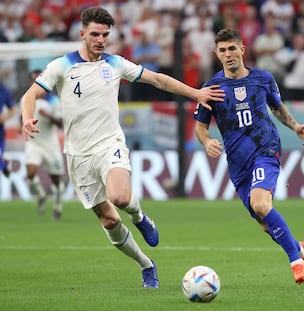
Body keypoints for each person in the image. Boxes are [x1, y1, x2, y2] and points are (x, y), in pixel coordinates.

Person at [21, 6, 224, 289]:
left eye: (105, 34)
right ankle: (146, 264)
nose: (101, 40)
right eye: (95, 34)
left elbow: (158, 79)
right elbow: (31, 94)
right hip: (78, 155)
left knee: (119, 196)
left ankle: (140, 217)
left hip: (110, 144)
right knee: (108, 221)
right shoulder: (62, 66)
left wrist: (195, 93)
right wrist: (26, 116)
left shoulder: (115, 64)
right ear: (82, 34)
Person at [193, 28, 304, 285]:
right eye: (223, 50)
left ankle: (295, 261)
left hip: (265, 150)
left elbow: (277, 107)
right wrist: (206, 141)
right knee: (263, 221)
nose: (228, 55)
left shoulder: (263, 79)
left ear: (242, 49)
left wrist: (295, 127)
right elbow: (200, 127)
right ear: (216, 53)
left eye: (232, 49)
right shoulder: (211, 88)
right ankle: (300, 249)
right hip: (238, 162)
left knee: (260, 204)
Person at [23, 69, 65, 220]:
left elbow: (61, 123)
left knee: (56, 179)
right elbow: (22, 118)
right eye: (33, 81)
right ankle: (41, 195)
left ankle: (58, 205)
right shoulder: (27, 99)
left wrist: (49, 116)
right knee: (30, 173)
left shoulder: (53, 102)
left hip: (50, 144)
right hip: (33, 142)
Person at [0, 80, 15, 177]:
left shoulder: (3, 89)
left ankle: (3, 164)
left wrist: (4, 117)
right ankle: (4, 164)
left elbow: (12, 109)